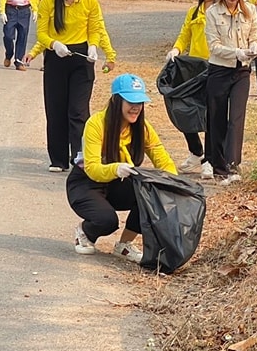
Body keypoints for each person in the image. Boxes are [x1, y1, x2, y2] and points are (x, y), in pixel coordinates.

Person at [68, 73, 177, 263]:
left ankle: (124, 245)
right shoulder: (96, 124)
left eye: (140, 102)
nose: (136, 107)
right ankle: (85, 232)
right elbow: (92, 168)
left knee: (151, 197)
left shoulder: (142, 128)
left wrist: (174, 183)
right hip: (86, 183)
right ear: (116, 100)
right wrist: (116, 168)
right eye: (130, 101)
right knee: (107, 221)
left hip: (116, 183)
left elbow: (163, 159)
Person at [25, 0, 117, 171]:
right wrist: (53, 44)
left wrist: (94, 47)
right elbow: (41, 32)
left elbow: (95, 28)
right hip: (57, 57)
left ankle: (79, 156)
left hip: (82, 59)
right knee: (56, 110)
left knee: (78, 110)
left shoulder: (89, 1)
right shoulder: (48, 2)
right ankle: (57, 159)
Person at [204, 0, 257, 184]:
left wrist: (254, 46)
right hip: (219, 70)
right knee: (217, 119)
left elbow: (254, 34)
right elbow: (214, 46)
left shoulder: (250, 11)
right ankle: (219, 168)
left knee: (236, 119)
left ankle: (233, 166)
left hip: (242, 70)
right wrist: (235, 52)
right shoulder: (212, 12)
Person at [165, 0, 222, 174]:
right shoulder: (194, 12)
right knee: (184, 109)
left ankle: (209, 159)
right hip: (194, 69)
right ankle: (195, 151)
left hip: (216, 67)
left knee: (209, 115)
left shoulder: (221, 12)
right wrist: (176, 49)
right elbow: (184, 35)